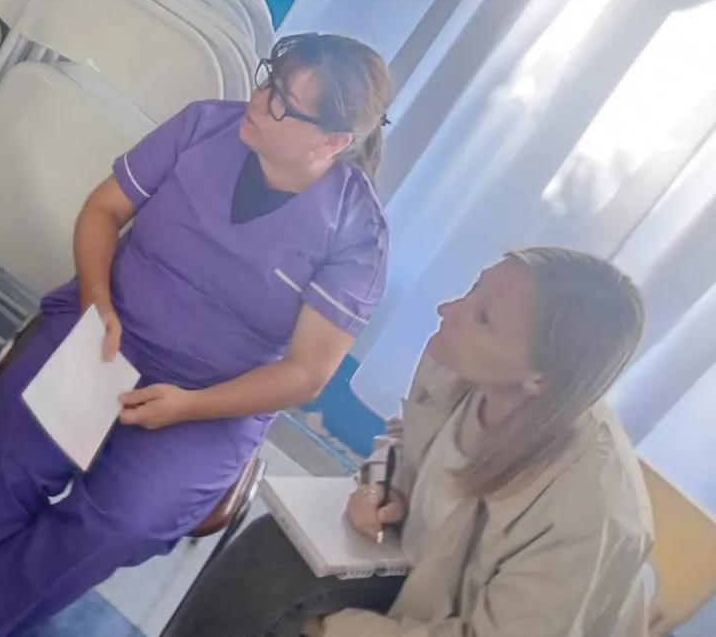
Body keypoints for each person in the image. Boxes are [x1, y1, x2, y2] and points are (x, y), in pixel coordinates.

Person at [0, 33, 397, 636]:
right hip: (111, 330)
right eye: (267, 81)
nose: (257, 99)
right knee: (13, 458)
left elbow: (304, 374)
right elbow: (103, 211)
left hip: (214, 399)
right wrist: (97, 302)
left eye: (282, 101)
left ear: (332, 142)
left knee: (125, 519)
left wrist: (190, 405)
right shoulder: (203, 127)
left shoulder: (357, 236)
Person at [165, 247, 653, 637]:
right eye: (473, 290)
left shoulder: (588, 514)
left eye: (483, 317)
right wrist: (379, 486)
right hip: (420, 569)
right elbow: (406, 433)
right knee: (269, 552)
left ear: (539, 379)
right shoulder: (458, 358)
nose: (448, 310)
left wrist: (338, 630)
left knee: (278, 599)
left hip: (479, 619)